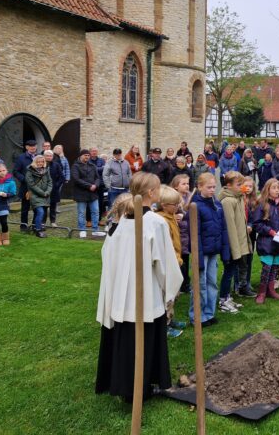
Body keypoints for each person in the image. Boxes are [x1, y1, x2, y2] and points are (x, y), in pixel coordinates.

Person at [95, 172, 183, 402]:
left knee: (126, 338)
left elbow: (107, 253)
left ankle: (128, 387)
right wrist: (169, 289)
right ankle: (138, 389)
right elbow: (164, 264)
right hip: (145, 294)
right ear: (152, 193)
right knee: (142, 340)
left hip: (122, 294)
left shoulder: (120, 221)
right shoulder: (155, 223)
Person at [190, 173, 230, 327]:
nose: (212, 190)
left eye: (214, 187)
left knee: (212, 283)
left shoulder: (217, 204)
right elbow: (196, 234)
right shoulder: (196, 206)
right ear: (199, 187)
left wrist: (225, 251)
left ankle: (208, 313)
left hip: (214, 250)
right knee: (200, 284)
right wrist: (198, 258)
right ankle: (197, 316)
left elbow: (223, 229)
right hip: (202, 252)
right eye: (209, 187)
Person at [155, 185, 188, 338]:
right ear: (163, 205)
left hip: (176, 260)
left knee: (174, 295)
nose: (177, 207)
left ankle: (171, 319)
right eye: (174, 204)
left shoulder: (171, 217)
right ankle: (164, 325)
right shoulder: (161, 221)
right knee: (166, 296)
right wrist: (176, 259)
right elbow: (166, 244)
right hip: (169, 262)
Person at [217, 171, 253, 311]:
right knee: (228, 272)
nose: (242, 187)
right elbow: (230, 227)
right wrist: (235, 249)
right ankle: (223, 300)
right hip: (232, 245)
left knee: (231, 271)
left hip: (238, 243)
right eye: (239, 184)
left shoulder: (237, 198)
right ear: (228, 185)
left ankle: (227, 297)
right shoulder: (228, 201)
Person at [251, 178, 279, 304]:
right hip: (266, 242)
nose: (277, 190)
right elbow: (257, 224)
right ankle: (261, 292)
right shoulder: (262, 204)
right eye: (274, 188)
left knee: (275, 268)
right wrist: (270, 231)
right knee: (266, 268)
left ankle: (271, 290)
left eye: (278, 188)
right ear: (267, 189)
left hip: (278, 243)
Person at [72, 148, 103, 237]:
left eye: (88, 155)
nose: (87, 157)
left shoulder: (92, 166)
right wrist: (89, 186)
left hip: (93, 193)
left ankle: (95, 230)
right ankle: (82, 230)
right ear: (81, 156)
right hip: (81, 193)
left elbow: (97, 178)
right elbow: (76, 179)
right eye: (85, 155)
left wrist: (95, 185)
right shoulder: (75, 166)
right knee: (81, 212)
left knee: (96, 211)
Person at [171, 174, 192, 294]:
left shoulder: (190, 197)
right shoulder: (173, 199)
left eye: (187, 183)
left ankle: (185, 283)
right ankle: (179, 284)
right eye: (183, 184)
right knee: (178, 260)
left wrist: (184, 215)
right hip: (177, 233)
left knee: (186, 258)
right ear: (175, 187)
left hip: (187, 233)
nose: (186, 186)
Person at [13, 139, 38, 232]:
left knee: (37, 208)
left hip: (37, 187)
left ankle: (35, 226)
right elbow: (15, 171)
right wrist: (24, 179)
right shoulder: (21, 158)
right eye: (31, 146)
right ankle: (23, 226)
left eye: (34, 146)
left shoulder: (39, 157)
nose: (33, 148)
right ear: (27, 147)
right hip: (26, 187)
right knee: (25, 208)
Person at [25, 154, 52, 238]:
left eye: (42, 161)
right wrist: (42, 193)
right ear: (35, 162)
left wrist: (48, 191)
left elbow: (50, 182)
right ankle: (38, 230)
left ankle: (35, 226)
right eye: (38, 161)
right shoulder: (30, 171)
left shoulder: (46, 170)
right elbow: (32, 185)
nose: (40, 163)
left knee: (42, 213)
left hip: (45, 195)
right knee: (40, 212)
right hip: (35, 195)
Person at [44, 150, 65, 227]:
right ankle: (43, 222)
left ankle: (53, 221)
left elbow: (62, 177)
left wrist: (56, 185)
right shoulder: (41, 164)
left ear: (52, 157)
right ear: (44, 156)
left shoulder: (56, 165)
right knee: (44, 207)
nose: (49, 157)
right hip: (43, 190)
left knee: (53, 206)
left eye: (50, 156)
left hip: (53, 189)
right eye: (47, 156)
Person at [89, 147, 107, 221]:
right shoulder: (88, 160)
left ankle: (99, 219)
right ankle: (89, 220)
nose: (94, 152)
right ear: (90, 152)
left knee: (100, 202)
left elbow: (104, 169)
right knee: (89, 202)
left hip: (100, 183)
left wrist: (95, 168)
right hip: (90, 183)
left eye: (96, 151)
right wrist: (99, 168)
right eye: (93, 151)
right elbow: (89, 170)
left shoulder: (101, 160)